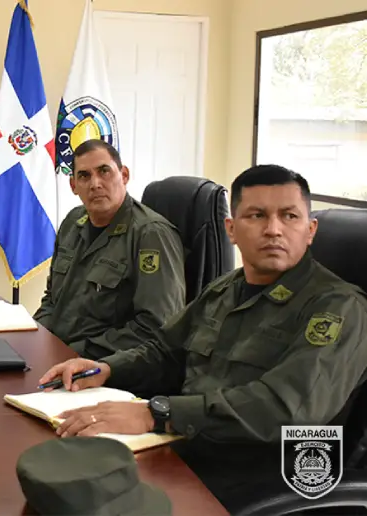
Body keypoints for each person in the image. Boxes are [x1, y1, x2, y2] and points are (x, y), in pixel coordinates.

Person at [37, 165, 367, 512]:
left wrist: (158, 414)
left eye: (290, 216)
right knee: (56, 475)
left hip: (260, 476)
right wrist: (106, 369)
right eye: (256, 215)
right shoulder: (225, 289)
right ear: (231, 229)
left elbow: (286, 408)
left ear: (310, 230)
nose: (274, 229)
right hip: (184, 448)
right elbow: (167, 352)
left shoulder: (339, 308)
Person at [34, 139, 185, 358]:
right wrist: (34, 337)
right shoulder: (72, 222)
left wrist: (75, 354)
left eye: (104, 171)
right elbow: (52, 301)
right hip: (60, 355)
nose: (95, 184)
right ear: (73, 186)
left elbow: (156, 327)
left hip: (108, 364)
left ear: (124, 175)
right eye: (84, 176)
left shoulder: (150, 234)